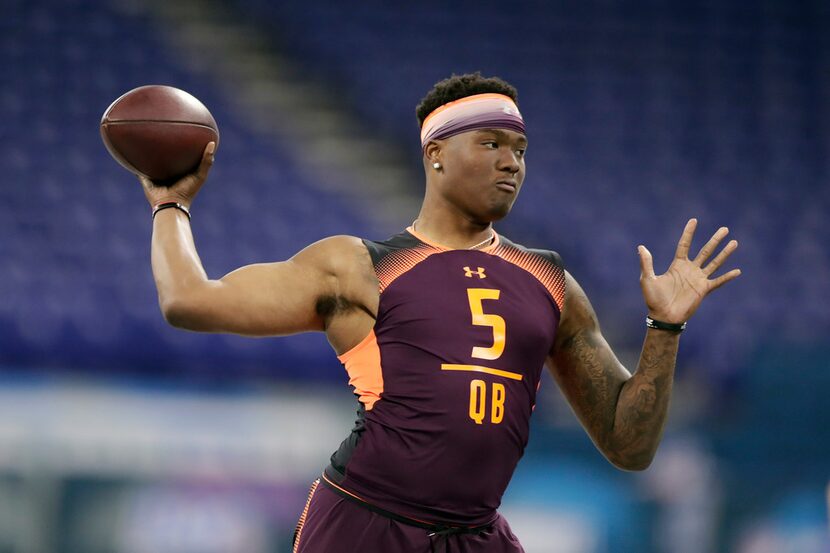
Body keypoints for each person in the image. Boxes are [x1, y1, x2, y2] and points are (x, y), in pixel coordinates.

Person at [139, 73, 741, 553]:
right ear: (436, 153)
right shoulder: (359, 266)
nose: (512, 163)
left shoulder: (550, 281)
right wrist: (171, 206)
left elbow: (628, 446)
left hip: (475, 534)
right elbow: (190, 301)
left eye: (521, 149)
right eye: (492, 143)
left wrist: (665, 329)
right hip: (366, 525)